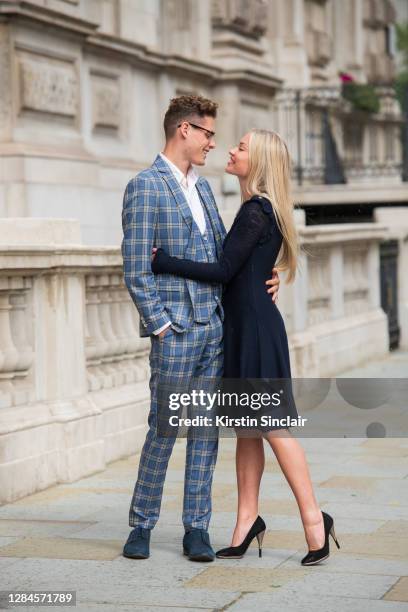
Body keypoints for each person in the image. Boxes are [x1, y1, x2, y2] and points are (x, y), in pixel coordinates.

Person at [152, 129, 341, 565]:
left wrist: (161, 261)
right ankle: (245, 523)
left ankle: (316, 522)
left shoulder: (257, 210)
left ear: (256, 161)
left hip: (254, 331)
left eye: (240, 147)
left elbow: (221, 270)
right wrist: (263, 277)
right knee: (247, 429)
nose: (231, 151)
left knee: (274, 427)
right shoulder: (258, 209)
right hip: (245, 328)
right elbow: (243, 269)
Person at [121, 96, 280, 562]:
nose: (214, 142)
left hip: (214, 328)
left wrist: (268, 276)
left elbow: (225, 258)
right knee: (164, 428)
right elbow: (135, 268)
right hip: (175, 331)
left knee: (206, 432)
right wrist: (161, 325)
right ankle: (142, 524)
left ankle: (197, 528)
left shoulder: (206, 189)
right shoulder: (145, 186)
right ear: (184, 130)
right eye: (208, 133)